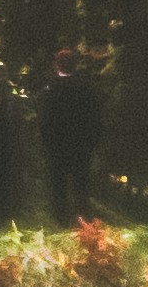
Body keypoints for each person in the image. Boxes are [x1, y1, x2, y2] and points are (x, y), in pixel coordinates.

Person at [36, 46, 108, 224]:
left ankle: (61, 220)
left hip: (57, 147)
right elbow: (95, 119)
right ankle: (83, 220)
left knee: (59, 185)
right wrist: (91, 144)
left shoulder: (50, 89)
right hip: (80, 147)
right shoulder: (85, 88)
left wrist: (46, 144)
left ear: (56, 65)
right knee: (80, 185)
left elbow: (44, 121)